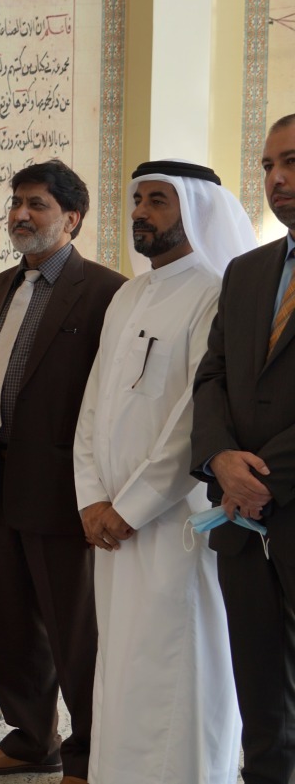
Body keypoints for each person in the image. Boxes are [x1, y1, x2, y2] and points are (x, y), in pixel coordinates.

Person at [0, 160, 125, 782]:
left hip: (62, 490)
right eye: (16, 202)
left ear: (72, 218)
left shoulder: (107, 291)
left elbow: (114, 403)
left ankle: (87, 752)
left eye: (38, 204)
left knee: (75, 632)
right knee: (13, 622)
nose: (20, 214)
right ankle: (30, 740)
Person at [75, 160, 253, 783]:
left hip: (173, 524)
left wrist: (130, 506)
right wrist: (92, 498)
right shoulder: (127, 294)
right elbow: (94, 401)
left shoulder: (212, 290)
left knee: (174, 667)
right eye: (138, 200)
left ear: (194, 209)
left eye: (159, 201)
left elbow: (194, 418)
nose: (142, 213)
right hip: (111, 527)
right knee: (121, 669)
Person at [192, 113, 295, 784]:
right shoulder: (249, 270)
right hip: (241, 525)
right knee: (262, 708)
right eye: (266, 165)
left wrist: (266, 474)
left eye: (291, 161)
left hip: (278, 499)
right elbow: (214, 376)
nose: (277, 178)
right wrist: (220, 459)